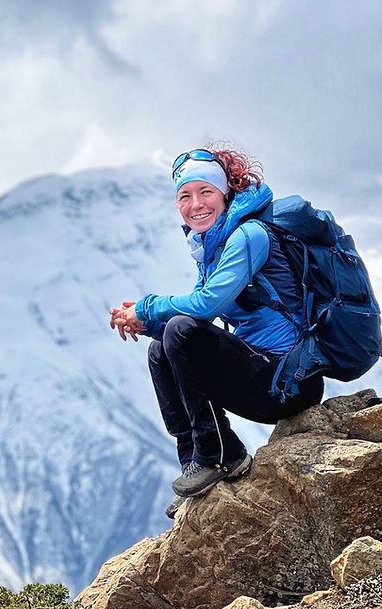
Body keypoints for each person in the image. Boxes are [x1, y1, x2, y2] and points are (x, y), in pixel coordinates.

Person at [109, 147, 324, 519]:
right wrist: (147, 324)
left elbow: (206, 306)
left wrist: (146, 307)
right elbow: (195, 324)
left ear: (226, 192)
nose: (196, 204)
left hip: (291, 382)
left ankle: (220, 454)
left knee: (179, 330)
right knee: (161, 346)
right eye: (185, 196)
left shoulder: (249, 236)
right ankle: (195, 460)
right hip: (264, 376)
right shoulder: (213, 246)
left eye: (205, 191)